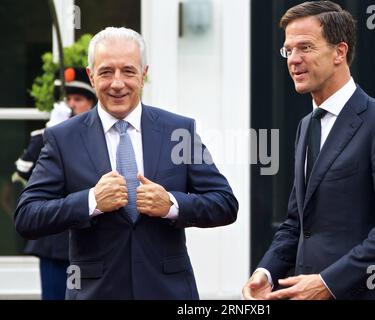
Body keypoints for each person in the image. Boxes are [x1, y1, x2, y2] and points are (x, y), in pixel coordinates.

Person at [15, 27, 238, 300]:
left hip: (169, 293)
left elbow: (225, 203)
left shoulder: (179, 131)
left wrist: (171, 205)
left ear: (144, 74)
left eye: (128, 71)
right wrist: (90, 201)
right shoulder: (63, 138)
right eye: (107, 72)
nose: (117, 83)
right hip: (95, 293)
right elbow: (27, 216)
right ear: (91, 76)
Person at [242, 1, 375, 300]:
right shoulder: (305, 126)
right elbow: (297, 223)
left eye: (305, 48)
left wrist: (329, 282)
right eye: (288, 50)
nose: (293, 60)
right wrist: (266, 271)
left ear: (340, 51)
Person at [12, 67, 97, 300]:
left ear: (91, 103)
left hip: (92, 235)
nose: (71, 105)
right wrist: (49, 132)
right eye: (68, 99)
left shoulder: (99, 135)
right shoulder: (46, 135)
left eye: (78, 99)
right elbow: (24, 172)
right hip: (54, 238)